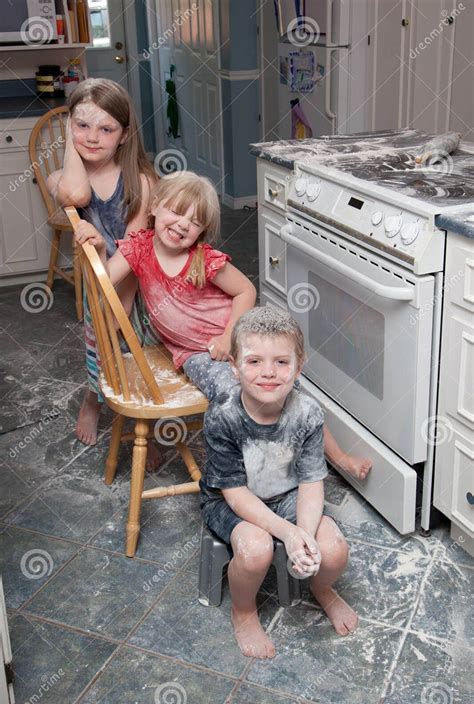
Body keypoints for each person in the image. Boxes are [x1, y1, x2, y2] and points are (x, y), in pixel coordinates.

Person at [74, 171, 372, 479]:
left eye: (194, 221)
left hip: (239, 337)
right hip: (195, 353)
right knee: (234, 395)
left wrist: (229, 335)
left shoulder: (203, 258)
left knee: (286, 387)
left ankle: (336, 456)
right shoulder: (139, 248)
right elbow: (104, 280)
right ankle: (258, 469)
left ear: (202, 230)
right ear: (154, 207)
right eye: (176, 212)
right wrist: (97, 249)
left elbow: (246, 290)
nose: (182, 224)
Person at [199, 307, 358, 658]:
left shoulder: (308, 414)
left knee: (332, 549)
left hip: (287, 494)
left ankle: (322, 588)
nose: (268, 373)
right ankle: (243, 610)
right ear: (234, 366)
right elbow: (235, 493)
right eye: (254, 361)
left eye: (281, 363)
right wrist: (286, 534)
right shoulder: (223, 417)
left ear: (299, 367)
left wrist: (303, 535)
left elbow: (311, 481)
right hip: (230, 500)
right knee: (257, 550)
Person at [47, 77, 157, 449]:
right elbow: (75, 194)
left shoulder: (139, 182)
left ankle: (146, 419)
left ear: (125, 135)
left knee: (138, 353)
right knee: (103, 349)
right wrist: (69, 140)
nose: (92, 137)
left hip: (137, 279)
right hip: (102, 283)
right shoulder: (61, 177)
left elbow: (135, 247)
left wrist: (113, 295)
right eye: (81, 126)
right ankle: (92, 400)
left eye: (106, 128)